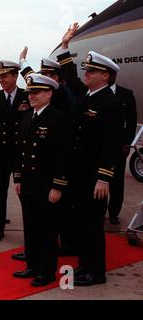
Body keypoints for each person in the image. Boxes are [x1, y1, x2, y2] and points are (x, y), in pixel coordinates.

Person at [58, 23, 123, 286]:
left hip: (95, 178)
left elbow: (111, 144)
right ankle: (84, 266)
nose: (87, 73)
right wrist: (65, 47)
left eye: (92, 70)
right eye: (87, 69)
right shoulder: (88, 96)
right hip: (80, 174)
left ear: (105, 76)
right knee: (82, 223)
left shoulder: (110, 103)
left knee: (93, 226)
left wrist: (104, 178)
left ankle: (96, 272)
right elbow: (71, 78)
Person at [12, 74, 71, 287]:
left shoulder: (59, 119)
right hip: (27, 184)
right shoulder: (26, 117)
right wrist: (17, 178)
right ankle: (33, 265)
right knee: (31, 227)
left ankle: (47, 272)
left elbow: (63, 157)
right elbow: (20, 151)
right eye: (30, 92)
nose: (31, 96)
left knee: (47, 230)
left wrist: (58, 186)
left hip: (47, 186)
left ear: (49, 93)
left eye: (36, 92)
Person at [0, 60, 31, 243]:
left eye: (5, 76)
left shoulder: (27, 96)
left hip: (21, 154)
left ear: (15, 76)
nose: (1, 79)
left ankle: (31, 231)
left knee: (24, 194)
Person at [107, 82, 137, 225]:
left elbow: (132, 121)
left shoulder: (126, 94)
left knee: (117, 182)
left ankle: (114, 213)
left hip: (119, 146)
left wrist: (128, 143)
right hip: (100, 146)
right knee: (99, 180)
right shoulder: (96, 93)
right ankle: (98, 212)